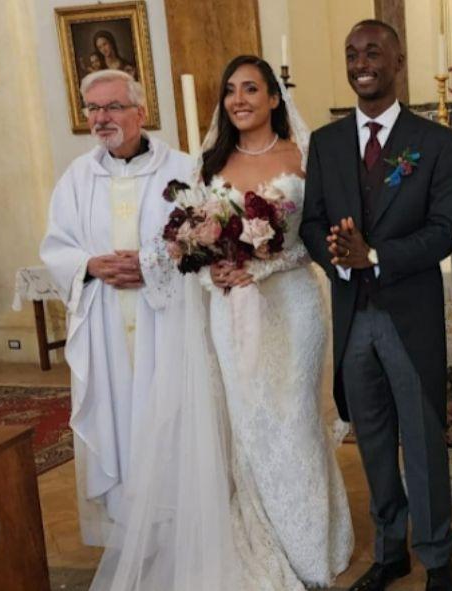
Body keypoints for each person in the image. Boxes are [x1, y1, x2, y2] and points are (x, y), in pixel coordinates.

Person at [86, 56, 353, 591]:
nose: (239, 99)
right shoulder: (208, 165)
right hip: (230, 311)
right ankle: (265, 536)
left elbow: (314, 233)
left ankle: (311, 543)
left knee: (295, 420)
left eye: (252, 89)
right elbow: (188, 243)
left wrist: (265, 265)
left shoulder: (306, 154)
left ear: (275, 98)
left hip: (292, 306)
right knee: (251, 426)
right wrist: (218, 274)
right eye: (230, 90)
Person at [300, 19, 452, 591]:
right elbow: (311, 223)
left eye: (373, 52)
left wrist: (378, 256)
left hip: (408, 317)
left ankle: (437, 557)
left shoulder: (436, 142)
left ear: (397, 62)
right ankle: (391, 551)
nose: (360, 62)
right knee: (371, 443)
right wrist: (343, 259)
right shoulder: (325, 144)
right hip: (352, 320)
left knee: (422, 443)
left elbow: (444, 231)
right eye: (351, 53)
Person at [40, 69, 195, 546]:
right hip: (105, 318)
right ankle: (130, 533)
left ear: (140, 113)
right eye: (93, 109)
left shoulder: (184, 170)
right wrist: (90, 264)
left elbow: (201, 242)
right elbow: (54, 246)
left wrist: (152, 264)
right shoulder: (76, 177)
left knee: (168, 417)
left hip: (163, 318)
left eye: (112, 107)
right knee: (117, 416)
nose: (101, 118)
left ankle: (177, 527)